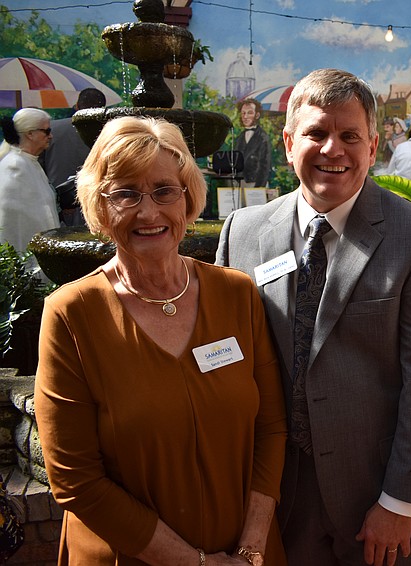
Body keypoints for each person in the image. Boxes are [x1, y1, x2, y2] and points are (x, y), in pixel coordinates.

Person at [216, 68, 411, 566]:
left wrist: (400, 501)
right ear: (288, 143)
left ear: (373, 147)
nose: (334, 149)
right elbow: (225, 362)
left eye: (350, 136)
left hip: (374, 500)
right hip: (272, 497)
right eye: (316, 133)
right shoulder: (241, 232)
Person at [34, 116, 287, 566]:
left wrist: (251, 547)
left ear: (187, 197)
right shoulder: (71, 314)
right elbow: (75, 479)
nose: (148, 212)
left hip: (246, 551)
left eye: (164, 190)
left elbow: (270, 428)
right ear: (99, 204)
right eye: (126, 193)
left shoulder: (236, 294)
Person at [0, 108, 60, 258]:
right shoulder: (16, 167)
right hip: (25, 256)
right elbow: (16, 222)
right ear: (30, 134)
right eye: (46, 131)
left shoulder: (27, 161)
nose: (50, 136)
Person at [43, 88, 107, 226]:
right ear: (103, 108)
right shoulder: (109, 133)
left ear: (77, 106)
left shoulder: (52, 130)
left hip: (57, 203)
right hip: (98, 202)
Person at [234, 97, 272, 187]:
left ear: (257, 115)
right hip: (240, 183)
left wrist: (259, 187)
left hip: (256, 183)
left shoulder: (263, 137)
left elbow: (265, 166)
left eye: (249, 113)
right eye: (243, 113)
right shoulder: (240, 137)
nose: (245, 117)